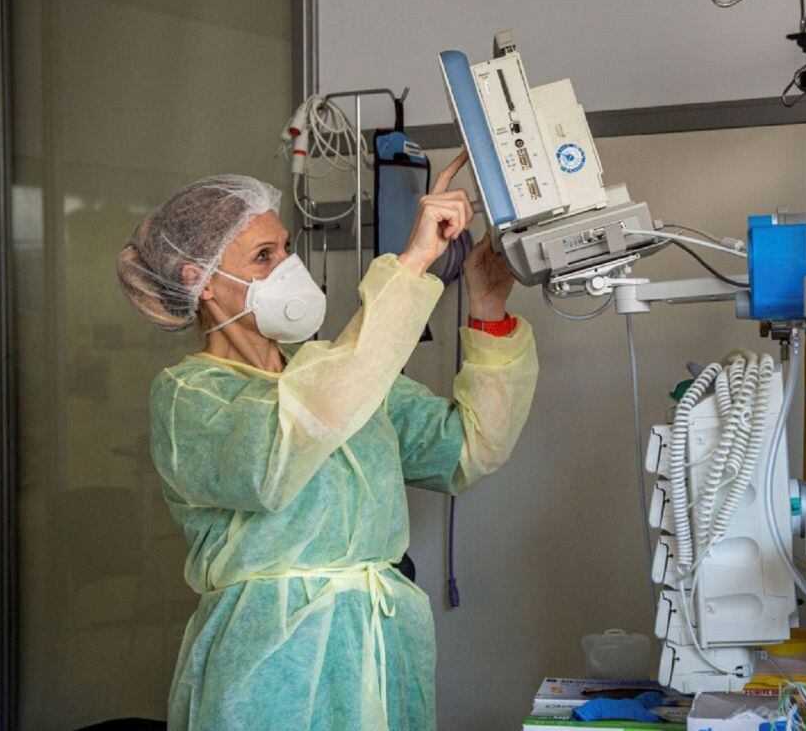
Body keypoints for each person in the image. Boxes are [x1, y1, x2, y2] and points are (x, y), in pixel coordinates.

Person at [115, 153, 538, 730]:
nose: (290, 267)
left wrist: (487, 306)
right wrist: (413, 262)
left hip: (380, 647)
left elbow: (466, 448)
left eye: (285, 248)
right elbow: (289, 442)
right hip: (270, 661)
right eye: (264, 256)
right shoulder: (190, 397)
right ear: (202, 281)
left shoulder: (334, 374)